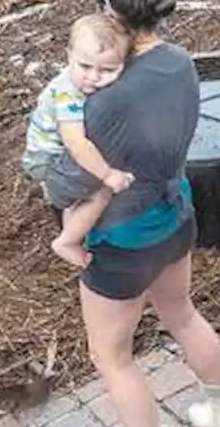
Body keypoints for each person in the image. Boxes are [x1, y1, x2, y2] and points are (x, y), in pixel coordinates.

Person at [46, 0, 220, 427]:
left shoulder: (104, 97)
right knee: (181, 313)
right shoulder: (182, 61)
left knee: (112, 355)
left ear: (107, 9)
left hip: (124, 238)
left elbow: (68, 181)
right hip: (177, 214)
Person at [23, 15, 137, 266]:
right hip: (49, 159)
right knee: (100, 193)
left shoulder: (85, 81)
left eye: (107, 70)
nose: (93, 77)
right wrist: (108, 175)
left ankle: (74, 227)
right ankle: (67, 241)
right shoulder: (68, 95)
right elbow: (77, 144)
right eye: (85, 66)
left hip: (49, 154)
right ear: (68, 55)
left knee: (79, 198)